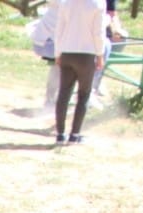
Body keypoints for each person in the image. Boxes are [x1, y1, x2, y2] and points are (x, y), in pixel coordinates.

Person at [53, 0, 108, 145]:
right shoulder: (98, 4)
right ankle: (74, 135)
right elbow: (98, 32)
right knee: (83, 94)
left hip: (67, 51)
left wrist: (57, 52)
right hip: (86, 54)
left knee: (64, 93)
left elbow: (59, 29)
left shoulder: (65, 3)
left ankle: (60, 134)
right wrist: (100, 54)